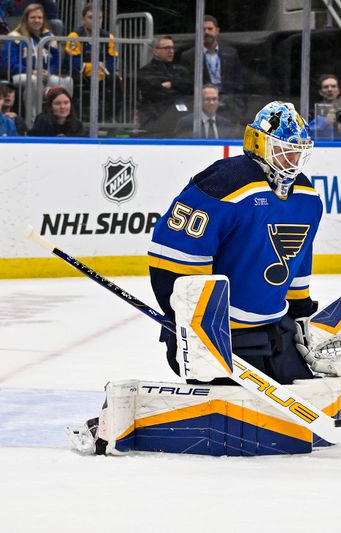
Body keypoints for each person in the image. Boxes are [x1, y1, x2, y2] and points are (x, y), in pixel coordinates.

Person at [149, 101, 321, 385]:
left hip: (275, 329)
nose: (292, 162)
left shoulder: (307, 196)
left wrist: (301, 314)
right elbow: (174, 255)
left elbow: (299, 259)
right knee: (244, 413)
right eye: (284, 152)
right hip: (221, 333)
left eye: (297, 154)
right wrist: (190, 322)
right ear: (259, 144)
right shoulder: (224, 184)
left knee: (307, 394)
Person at [63, 4, 119, 122]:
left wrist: (101, 69)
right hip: (80, 74)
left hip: (101, 74)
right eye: (91, 17)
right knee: (76, 80)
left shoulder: (109, 37)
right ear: (83, 19)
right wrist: (94, 67)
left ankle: (110, 120)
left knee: (115, 80)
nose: (95, 21)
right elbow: (74, 63)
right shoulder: (75, 36)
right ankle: (78, 121)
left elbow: (111, 62)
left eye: (99, 18)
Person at [179, 15, 242, 116]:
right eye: (203, 29)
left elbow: (238, 82)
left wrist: (239, 107)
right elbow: (186, 86)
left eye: (210, 29)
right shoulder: (189, 56)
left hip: (229, 106)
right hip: (203, 107)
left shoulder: (231, 53)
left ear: (217, 31)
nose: (206, 32)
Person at [137, 35, 192, 136]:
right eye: (166, 48)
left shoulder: (180, 70)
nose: (171, 51)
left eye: (172, 48)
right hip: (157, 120)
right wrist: (178, 86)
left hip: (181, 119)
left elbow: (190, 87)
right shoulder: (147, 71)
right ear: (155, 51)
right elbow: (157, 91)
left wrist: (172, 84)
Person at [2, 3, 65, 90]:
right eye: (33, 17)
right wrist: (32, 72)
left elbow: (56, 61)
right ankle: (33, 104)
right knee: (34, 81)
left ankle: (61, 103)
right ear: (26, 19)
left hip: (44, 75)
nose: (37, 20)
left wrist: (49, 72)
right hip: (21, 75)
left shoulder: (49, 37)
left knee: (65, 81)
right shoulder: (15, 36)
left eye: (40, 17)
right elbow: (11, 64)